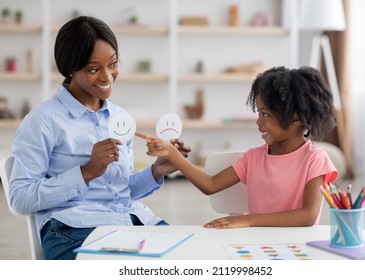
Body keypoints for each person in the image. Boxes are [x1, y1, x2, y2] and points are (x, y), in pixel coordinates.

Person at [9, 16, 190, 260]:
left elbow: (119, 191)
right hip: (73, 229)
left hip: (128, 220)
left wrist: (156, 171)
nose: (107, 77)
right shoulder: (43, 121)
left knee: (187, 259)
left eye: (113, 64)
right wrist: (86, 172)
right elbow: (20, 198)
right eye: (94, 69)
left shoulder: (120, 118)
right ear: (70, 68)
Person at [136, 66, 339, 229]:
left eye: (266, 114)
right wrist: (173, 154)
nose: (258, 122)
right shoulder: (254, 158)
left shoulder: (315, 159)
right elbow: (211, 185)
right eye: (258, 113)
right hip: (255, 244)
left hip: (296, 246)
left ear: (294, 118)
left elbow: (308, 216)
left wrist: (249, 219)